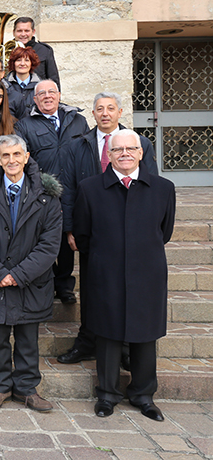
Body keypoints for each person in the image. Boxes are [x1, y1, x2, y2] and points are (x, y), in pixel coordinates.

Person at [73, 129, 174, 421]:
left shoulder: (163, 188)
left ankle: (143, 395)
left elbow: (163, 232)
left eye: (131, 149)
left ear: (141, 153)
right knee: (107, 335)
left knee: (145, 335)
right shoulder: (90, 188)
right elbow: (83, 234)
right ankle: (107, 394)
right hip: (106, 272)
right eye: (118, 150)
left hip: (148, 273)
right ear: (109, 155)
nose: (125, 154)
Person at [0, 134, 62, 412]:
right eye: (5, 156)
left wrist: (19, 274)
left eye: (17, 154)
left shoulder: (46, 196)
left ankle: (28, 389)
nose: (11, 160)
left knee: (28, 339)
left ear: (27, 156)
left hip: (31, 280)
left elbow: (50, 243)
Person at [58, 92, 158, 365]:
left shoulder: (140, 144)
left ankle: (125, 347)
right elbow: (67, 190)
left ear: (120, 112)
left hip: (132, 234)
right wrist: (69, 229)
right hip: (91, 233)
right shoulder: (76, 146)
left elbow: (154, 187)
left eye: (110, 108)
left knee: (128, 291)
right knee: (93, 290)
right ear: (93, 114)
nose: (105, 113)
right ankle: (88, 340)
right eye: (99, 109)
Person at [14, 80, 88, 303]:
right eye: (41, 94)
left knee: (67, 239)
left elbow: (86, 153)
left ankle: (64, 286)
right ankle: (44, 285)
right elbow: (23, 159)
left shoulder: (78, 121)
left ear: (59, 95)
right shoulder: (25, 125)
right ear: (34, 100)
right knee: (41, 240)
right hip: (41, 191)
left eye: (51, 92)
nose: (47, 96)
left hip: (72, 189)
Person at [13, 17, 60, 87]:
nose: (23, 34)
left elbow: (53, 79)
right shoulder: (7, 50)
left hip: (38, 94)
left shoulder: (45, 50)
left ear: (33, 32)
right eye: (19, 31)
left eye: (27, 31)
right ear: (14, 32)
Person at [5, 46, 42, 110]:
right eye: (18, 60)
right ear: (13, 63)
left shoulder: (40, 86)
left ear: (31, 63)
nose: (22, 63)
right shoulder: (5, 85)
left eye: (27, 60)